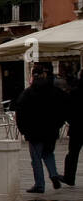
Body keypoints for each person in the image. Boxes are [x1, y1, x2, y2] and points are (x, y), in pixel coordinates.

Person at [13, 63, 68, 193]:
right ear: (44, 75)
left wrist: (24, 130)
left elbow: (19, 111)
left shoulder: (27, 93)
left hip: (34, 132)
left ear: (33, 76)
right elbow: (64, 109)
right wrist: (58, 124)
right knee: (49, 154)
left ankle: (39, 185)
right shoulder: (55, 91)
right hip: (51, 130)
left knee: (36, 158)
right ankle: (53, 174)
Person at [63, 75, 83, 186]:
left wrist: (71, 121)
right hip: (76, 126)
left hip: (77, 127)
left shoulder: (74, 92)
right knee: (72, 154)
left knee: (73, 154)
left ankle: (69, 177)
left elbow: (67, 110)